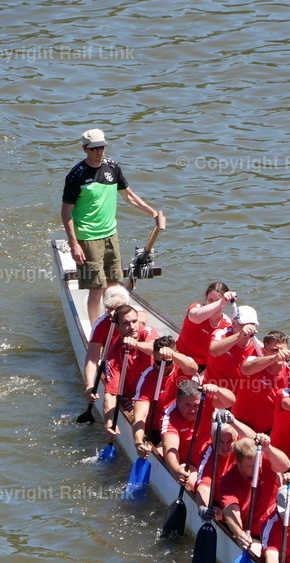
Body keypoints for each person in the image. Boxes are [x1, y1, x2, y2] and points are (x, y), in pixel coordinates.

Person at [61, 128, 163, 325]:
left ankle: (115, 324)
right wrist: (74, 244)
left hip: (110, 235)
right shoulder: (76, 176)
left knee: (113, 284)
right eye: (94, 149)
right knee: (96, 288)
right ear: (85, 149)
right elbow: (66, 212)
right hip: (88, 238)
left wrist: (153, 213)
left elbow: (129, 197)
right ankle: (93, 330)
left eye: (102, 147)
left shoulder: (112, 168)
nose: (99, 152)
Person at [217, 434, 290, 550]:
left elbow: (285, 466)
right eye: (252, 466)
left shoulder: (265, 458)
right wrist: (239, 534)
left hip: (279, 522)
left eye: (258, 463)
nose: (257, 468)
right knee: (255, 550)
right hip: (255, 533)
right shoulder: (228, 482)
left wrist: (268, 448)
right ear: (238, 462)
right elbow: (231, 512)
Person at [132, 335, 199, 458]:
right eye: (158, 362)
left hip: (187, 420)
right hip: (156, 428)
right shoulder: (147, 378)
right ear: (153, 357)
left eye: (168, 362)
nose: (162, 366)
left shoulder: (183, 363)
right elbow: (140, 415)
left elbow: (193, 369)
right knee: (164, 452)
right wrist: (138, 442)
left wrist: (172, 355)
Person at [160, 379, 236, 487]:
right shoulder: (169, 416)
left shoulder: (205, 399)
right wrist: (175, 469)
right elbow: (171, 447)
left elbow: (230, 401)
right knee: (191, 483)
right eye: (187, 405)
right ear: (178, 401)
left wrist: (218, 390)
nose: (192, 410)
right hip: (187, 463)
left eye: (196, 405)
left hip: (207, 456)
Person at [102, 304, 159, 442]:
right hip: (131, 396)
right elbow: (111, 394)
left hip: (154, 390)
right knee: (139, 415)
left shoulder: (147, 331)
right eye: (126, 323)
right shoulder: (114, 354)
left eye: (134, 321)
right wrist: (109, 422)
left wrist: (136, 344)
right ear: (118, 327)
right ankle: (145, 442)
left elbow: (154, 348)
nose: (132, 327)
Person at [193, 412, 255, 512]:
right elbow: (204, 486)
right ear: (212, 439)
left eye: (229, 442)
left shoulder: (240, 442)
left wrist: (233, 422)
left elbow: (256, 440)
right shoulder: (208, 456)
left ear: (236, 438)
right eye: (220, 442)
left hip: (241, 496)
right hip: (220, 502)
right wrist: (203, 507)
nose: (225, 448)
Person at [235, 330, 290, 433]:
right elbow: (245, 369)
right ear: (263, 351)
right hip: (241, 424)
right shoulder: (253, 361)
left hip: (268, 431)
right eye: (274, 350)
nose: (280, 353)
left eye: (282, 350)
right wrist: (275, 358)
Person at [82, 284, 131, 403]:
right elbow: (92, 359)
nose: (112, 314)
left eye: (117, 309)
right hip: (112, 362)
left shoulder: (137, 319)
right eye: (109, 308)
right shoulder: (101, 325)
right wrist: (89, 385)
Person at [175, 283, 237, 369]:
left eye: (217, 300)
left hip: (205, 366)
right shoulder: (196, 309)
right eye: (210, 300)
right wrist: (221, 301)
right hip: (181, 357)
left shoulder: (227, 323)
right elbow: (197, 316)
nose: (213, 304)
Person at [204, 306, 260, 390]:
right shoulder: (221, 334)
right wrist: (240, 335)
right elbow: (214, 351)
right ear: (233, 323)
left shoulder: (258, 347)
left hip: (237, 394)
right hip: (211, 388)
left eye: (251, 325)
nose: (248, 329)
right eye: (244, 325)